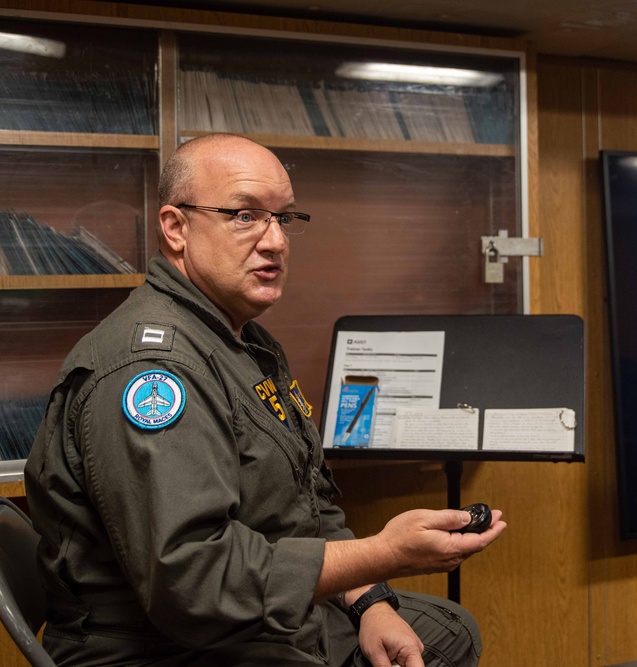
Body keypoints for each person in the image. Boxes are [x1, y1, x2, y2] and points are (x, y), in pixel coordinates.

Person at [24, 133, 506, 667]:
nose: (275, 240)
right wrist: (384, 553)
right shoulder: (155, 373)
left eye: (284, 218)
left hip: (255, 617)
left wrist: (369, 598)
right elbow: (198, 585)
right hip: (164, 647)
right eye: (245, 216)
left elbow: (307, 506)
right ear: (175, 228)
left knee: (444, 632)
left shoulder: (244, 341)